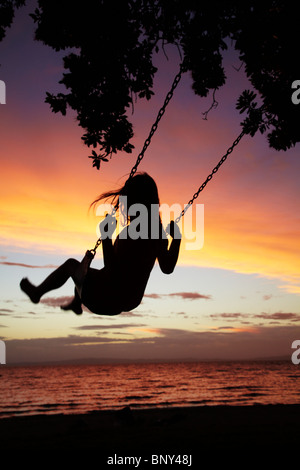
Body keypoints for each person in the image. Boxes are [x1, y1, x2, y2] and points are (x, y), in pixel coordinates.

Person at [20, 173, 181, 316]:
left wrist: (106, 237)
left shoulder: (134, 234)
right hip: (128, 299)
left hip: (108, 296)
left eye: (127, 201)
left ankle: (37, 293)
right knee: (84, 272)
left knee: (71, 266)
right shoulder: (157, 230)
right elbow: (167, 268)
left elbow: (112, 270)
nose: (124, 206)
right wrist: (177, 239)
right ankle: (77, 303)